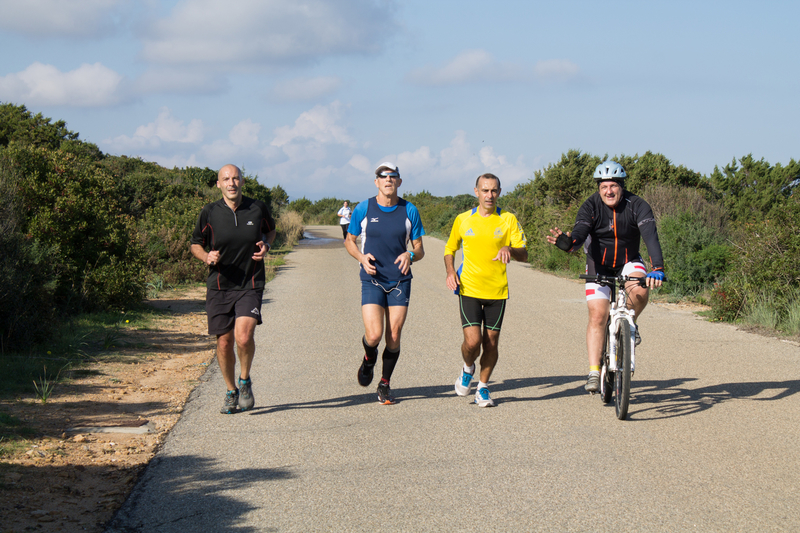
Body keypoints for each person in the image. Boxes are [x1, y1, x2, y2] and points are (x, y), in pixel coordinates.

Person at [546, 160, 666, 393]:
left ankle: (631, 322)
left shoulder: (638, 205)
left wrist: (658, 268)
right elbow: (580, 230)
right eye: (604, 187)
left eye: (613, 186)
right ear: (598, 188)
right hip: (598, 263)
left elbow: (651, 237)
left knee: (640, 290)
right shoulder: (590, 206)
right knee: (598, 314)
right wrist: (570, 244)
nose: (609, 191)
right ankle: (593, 371)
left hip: (628, 260)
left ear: (622, 186)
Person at [190, 164, 276, 414]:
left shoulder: (257, 207)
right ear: (218, 184)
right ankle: (230, 390)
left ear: (242, 181)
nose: (231, 183)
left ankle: (245, 380)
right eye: (226, 179)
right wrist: (206, 257)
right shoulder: (209, 212)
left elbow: (270, 231)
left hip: (250, 283)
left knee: (244, 336)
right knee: (225, 342)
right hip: (219, 286)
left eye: (235, 178)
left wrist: (266, 247)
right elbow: (195, 244)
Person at [345, 162, 425, 404]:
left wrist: (410, 255)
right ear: (376, 181)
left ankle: (384, 383)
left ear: (399, 182)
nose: (388, 179)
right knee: (374, 334)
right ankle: (369, 360)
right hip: (372, 278)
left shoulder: (409, 210)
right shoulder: (364, 208)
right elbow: (350, 240)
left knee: (393, 335)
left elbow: (420, 249)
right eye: (383, 176)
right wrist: (360, 257)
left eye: (393, 176)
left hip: (400, 280)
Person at [444, 173, 528, 407]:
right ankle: (467, 368)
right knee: (472, 343)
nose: (489, 195)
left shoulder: (508, 219)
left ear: (499, 192)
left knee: (490, 343)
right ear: (476, 191)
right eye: (485, 190)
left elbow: (524, 252)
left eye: (493, 191)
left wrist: (510, 250)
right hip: (469, 288)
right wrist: (451, 272)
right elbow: (449, 249)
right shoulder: (463, 219)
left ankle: (483, 387)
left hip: (497, 292)